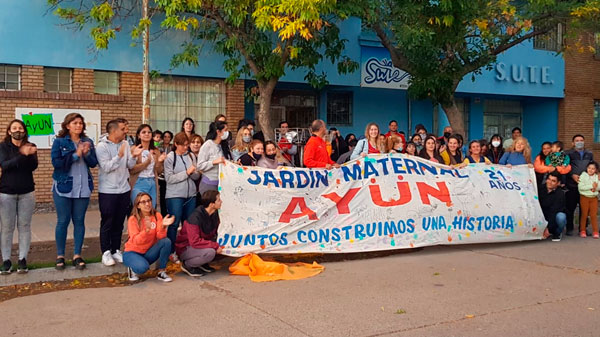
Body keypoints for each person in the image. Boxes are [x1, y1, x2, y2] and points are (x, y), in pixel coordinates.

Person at [51, 113, 98, 271]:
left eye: (81, 123)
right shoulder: (59, 142)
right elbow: (57, 163)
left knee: (79, 221)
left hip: (83, 186)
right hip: (64, 186)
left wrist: (87, 153)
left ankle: (77, 254)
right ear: (67, 125)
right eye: (75, 123)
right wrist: (75, 155)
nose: (79, 125)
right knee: (63, 221)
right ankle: (60, 255)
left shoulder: (88, 141)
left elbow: (93, 163)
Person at [97, 119, 142, 267]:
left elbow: (129, 165)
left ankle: (116, 249)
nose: (126, 131)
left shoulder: (125, 144)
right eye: (123, 129)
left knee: (119, 222)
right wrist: (119, 156)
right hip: (108, 191)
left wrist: (134, 156)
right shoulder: (102, 146)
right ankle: (105, 252)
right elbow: (106, 167)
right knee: (107, 221)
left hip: (123, 189)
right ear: (113, 130)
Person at [0, 120, 38, 275]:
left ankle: (22, 259)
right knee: (7, 228)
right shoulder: (3, 147)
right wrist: (22, 155)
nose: (18, 131)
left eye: (20, 128)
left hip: (26, 192)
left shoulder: (30, 145)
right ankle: (6, 261)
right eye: (14, 128)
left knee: (24, 226)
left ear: (25, 131)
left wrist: (29, 155)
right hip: (6, 193)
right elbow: (4, 165)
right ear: (9, 131)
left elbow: (33, 166)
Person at [164, 132, 200, 262]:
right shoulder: (170, 157)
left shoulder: (190, 156)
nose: (186, 148)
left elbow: (196, 176)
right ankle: (171, 251)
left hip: (190, 195)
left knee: (188, 224)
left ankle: (185, 249)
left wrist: (194, 173)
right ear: (176, 144)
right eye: (183, 146)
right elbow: (169, 178)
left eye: (187, 145)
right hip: (175, 195)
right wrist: (186, 173)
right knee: (174, 223)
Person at [123, 192, 175, 282]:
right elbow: (136, 241)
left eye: (149, 201)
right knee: (142, 268)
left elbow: (160, 237)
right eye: (143, 202)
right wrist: (145, 231)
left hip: (148, 252)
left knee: (166, 241)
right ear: (138, 206)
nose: (147, 204)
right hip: (132, 252)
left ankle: (161, 272)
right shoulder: (133, 219)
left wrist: (163, 226)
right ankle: (132, 267)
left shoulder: (156, 215)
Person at [176, 190, 223, 277]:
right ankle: (188, 265)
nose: (221, 202)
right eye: (219, 200)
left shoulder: (214, 214)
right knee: (211, 252)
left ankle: (202, 263)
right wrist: (215, 245)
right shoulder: (195, 218)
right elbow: (194, 241)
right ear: (211, 204)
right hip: (186, 247)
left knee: (221, 247)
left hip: (199, 245)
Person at [130, 124, 166, 208]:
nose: (147, 134)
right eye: (144, 132)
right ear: (139, 135)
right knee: (139, 209)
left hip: (152, 182)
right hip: (138, 182)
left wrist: (160, 162)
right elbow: (131, 170)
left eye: (149, 132)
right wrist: (147, 162)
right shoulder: (134, 148)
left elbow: (159, 171)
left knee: (151, 209)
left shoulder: (156, 150)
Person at [565, 134, 594, 236]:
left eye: (581, 140)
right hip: (571, 185)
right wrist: (572, 175)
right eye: (577, 140)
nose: (579, 142)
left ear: (584, 141)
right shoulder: (567, 153)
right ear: (573, 143)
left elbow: (592, 167)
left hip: (585, 186)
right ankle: (569, 228)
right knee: (570, 208)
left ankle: (583, 229)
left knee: (584, 208)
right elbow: (564, 167)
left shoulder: (589, 154)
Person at [197, 121, 227, 195]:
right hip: (209, 184)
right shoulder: (207, 145)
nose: (227, 132)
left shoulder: (223, 145)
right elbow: (200, 166)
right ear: (218, 132)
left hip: (221, 183)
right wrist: (213, 162)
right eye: (225, 130)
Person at [539, 171, 567, 242]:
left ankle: (557, 232)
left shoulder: (560, 194)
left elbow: (554, 212)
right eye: (549, 179)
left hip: (553, 218)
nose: (550, 182)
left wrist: (549, 229)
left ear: (558, 183)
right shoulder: (540, 189)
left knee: (561, 217)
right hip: (541, 217)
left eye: (553, 181)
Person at [577, 161, 599, 238]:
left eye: (593, 169)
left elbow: (598, 187)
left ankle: (595, 231)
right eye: (589, 168)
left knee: (593, 215)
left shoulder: (597, 177)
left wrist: (595, 188)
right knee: (584, 214)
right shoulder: (583, 175)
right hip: (584, 197)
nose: (590, 170)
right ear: (587, 168)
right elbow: (581, 187)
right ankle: (582, 230)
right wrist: (591, 186)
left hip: (594, 198)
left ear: (596, 170)